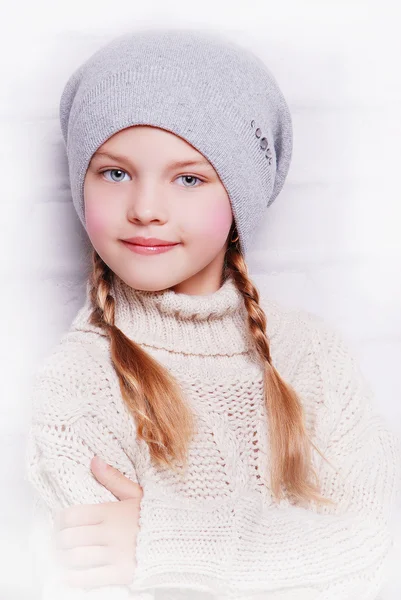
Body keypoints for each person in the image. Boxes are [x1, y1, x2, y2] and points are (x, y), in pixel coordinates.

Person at [24, 27, 401, 600]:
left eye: (190, 178)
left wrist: (170, 542)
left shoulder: (311, 354)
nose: (146, 208)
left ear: (242, 195)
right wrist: (313, 556)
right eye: (115, 172)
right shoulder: (77, 386)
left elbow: (385, 547)